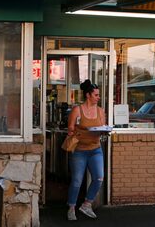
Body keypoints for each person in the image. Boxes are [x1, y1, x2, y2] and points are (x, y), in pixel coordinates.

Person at [66, 79, 106, 220]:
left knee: (99, 178)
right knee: (77, 181)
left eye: (98, 95)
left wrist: (104, 131)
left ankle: (86, 204)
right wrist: (79, 129)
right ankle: (71, 208)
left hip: (96, 149)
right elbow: (70, 128)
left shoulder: (100, 111)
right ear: (88, 95)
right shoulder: (77, 110)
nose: (98, 97)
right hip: (80, 150)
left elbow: (102, 127)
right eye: (96, 95)